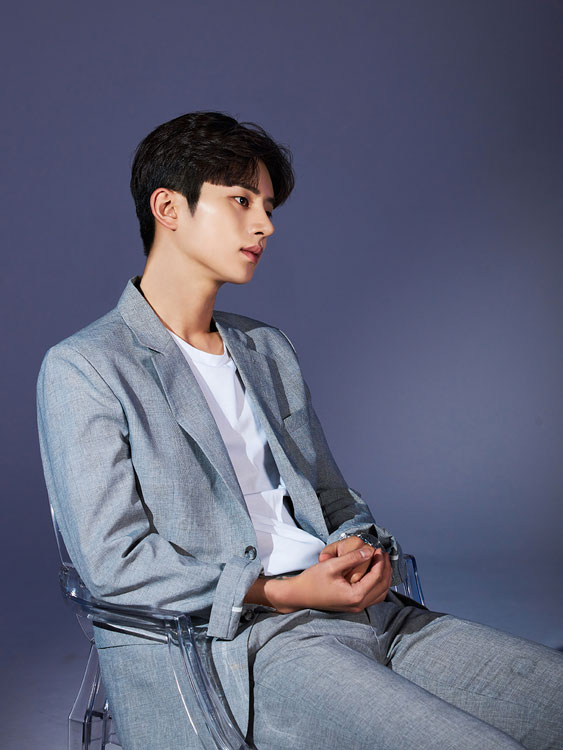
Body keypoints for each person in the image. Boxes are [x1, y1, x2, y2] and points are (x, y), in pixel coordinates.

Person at [36, 111, 563, 750]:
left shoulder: (266, 348)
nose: (265, 224)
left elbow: (334, 498)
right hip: (247, 646)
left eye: (267, 206)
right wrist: (279, 591)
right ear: (168, 208)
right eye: (241, 201)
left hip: (370, 615)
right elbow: (114, 565)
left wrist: (357, 549)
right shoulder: (87, 368)